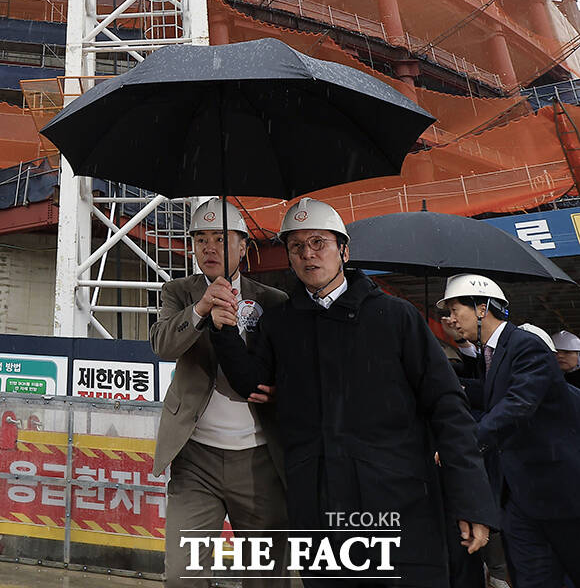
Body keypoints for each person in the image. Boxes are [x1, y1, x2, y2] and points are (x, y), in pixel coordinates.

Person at [210, 197, 498, 588]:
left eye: (319, 243)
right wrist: (224, 331)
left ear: (343, 250)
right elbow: (252, 384)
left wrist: (470, 500)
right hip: (319, 504)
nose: (308, 255)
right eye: (297, 247)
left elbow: (447, 406)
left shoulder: (395, 317)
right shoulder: (282, 322)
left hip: (397, 502)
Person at [150, 198, 288, 588]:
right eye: (201, 239)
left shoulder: (274, 300)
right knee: (182, 576)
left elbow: (291, 367)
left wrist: (283, 392)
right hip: (196, 460)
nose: (209, 248)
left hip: (260, 460)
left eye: (221, 238)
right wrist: (199, 311)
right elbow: (162, 344)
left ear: (243, 246)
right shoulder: (178, 292)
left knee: (265, 580)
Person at [439, 273, 580, 588]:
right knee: (532, 578)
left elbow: (517, 404)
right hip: (519, 497)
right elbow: (491, 395)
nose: (450, 320)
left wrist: (462, 443)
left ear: (481, 308)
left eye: (454, 310)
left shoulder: (525, 346)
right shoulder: (494, 352)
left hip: (558, 493)